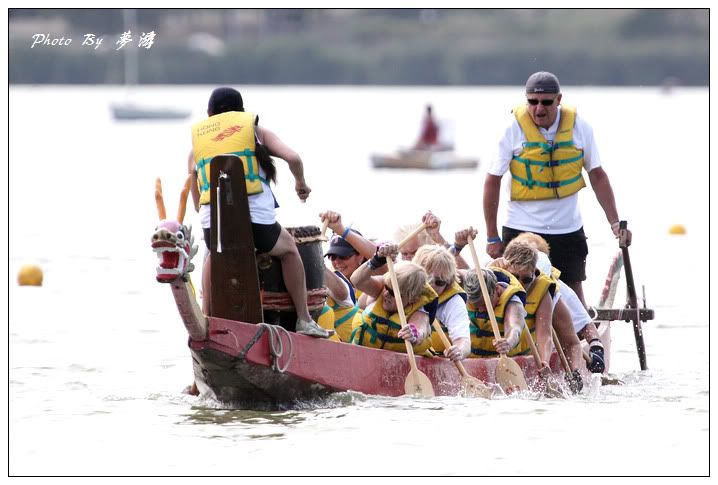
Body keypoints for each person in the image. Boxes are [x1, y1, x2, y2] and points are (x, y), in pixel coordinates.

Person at [188, 86, 330, 338]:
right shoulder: (256, 132)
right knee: (288, 250)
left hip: (215, 225)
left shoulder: (198, 145)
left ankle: (208, 318)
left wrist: (203, 212)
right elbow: (294, 159)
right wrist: (300, 183)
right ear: (241, 112)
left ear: (209, 114)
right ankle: (304, 320)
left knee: (211, 253)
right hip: (256, 223)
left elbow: (193, 185)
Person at [483, 71, 631, 307]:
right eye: (532, 102)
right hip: (521, 229)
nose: (539, 109)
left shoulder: (580, 128)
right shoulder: (512, 129)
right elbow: (492, 181)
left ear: (559, 99)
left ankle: (582, 339)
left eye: (546, 102)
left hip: (567, 229)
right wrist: (492, 236)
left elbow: (598, 176)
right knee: (514, 293)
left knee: (573, 293)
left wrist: (615, 223)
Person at [493, 240, 584, 392]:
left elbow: (546, 335)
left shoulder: (544, 290)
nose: (521, 285)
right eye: (515, 277)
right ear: (506, 270)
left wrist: (544, 362)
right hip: (495, 350)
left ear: (534, 272)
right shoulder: (493, 279)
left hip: (523, 351)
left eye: (527, 280)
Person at [510, 231, 606, 373]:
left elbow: (584, 328)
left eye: (529, 278)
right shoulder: (499, 281)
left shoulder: (554, 290)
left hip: (544, 347)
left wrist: (596, 347)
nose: (522, 284)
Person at [350, 243, 439, 354]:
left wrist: (414, 333)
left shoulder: (420, 310)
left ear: (413, 299)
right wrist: (376, 259)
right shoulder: (384, 286)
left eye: (393, 293)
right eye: (387, 288)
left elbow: (421, 328)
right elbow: (356, 281)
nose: (386, 294)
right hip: (361, 356)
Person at [319, 210, 376, 342]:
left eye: (343, 256)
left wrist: (340, 229)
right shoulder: (330, 281)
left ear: (360, 256)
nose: (337, 262)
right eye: (332, 256)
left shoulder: (378, 281)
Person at [412, 245, 470, 362]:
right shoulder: (400, 285)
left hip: (434, 359)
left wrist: (458, 350)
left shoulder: (454, 301)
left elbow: (463, 340)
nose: (431, 284)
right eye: (426, 277)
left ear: (448, 282)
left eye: (439, 282)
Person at [461, 268, 528, 358]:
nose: (481, 310)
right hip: (474, 360)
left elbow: (514, 328)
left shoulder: (513, 302)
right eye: (476, 306)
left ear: (497, 289)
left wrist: (508, 342)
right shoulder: (465, 286)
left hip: (505, 362)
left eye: (485, 304)